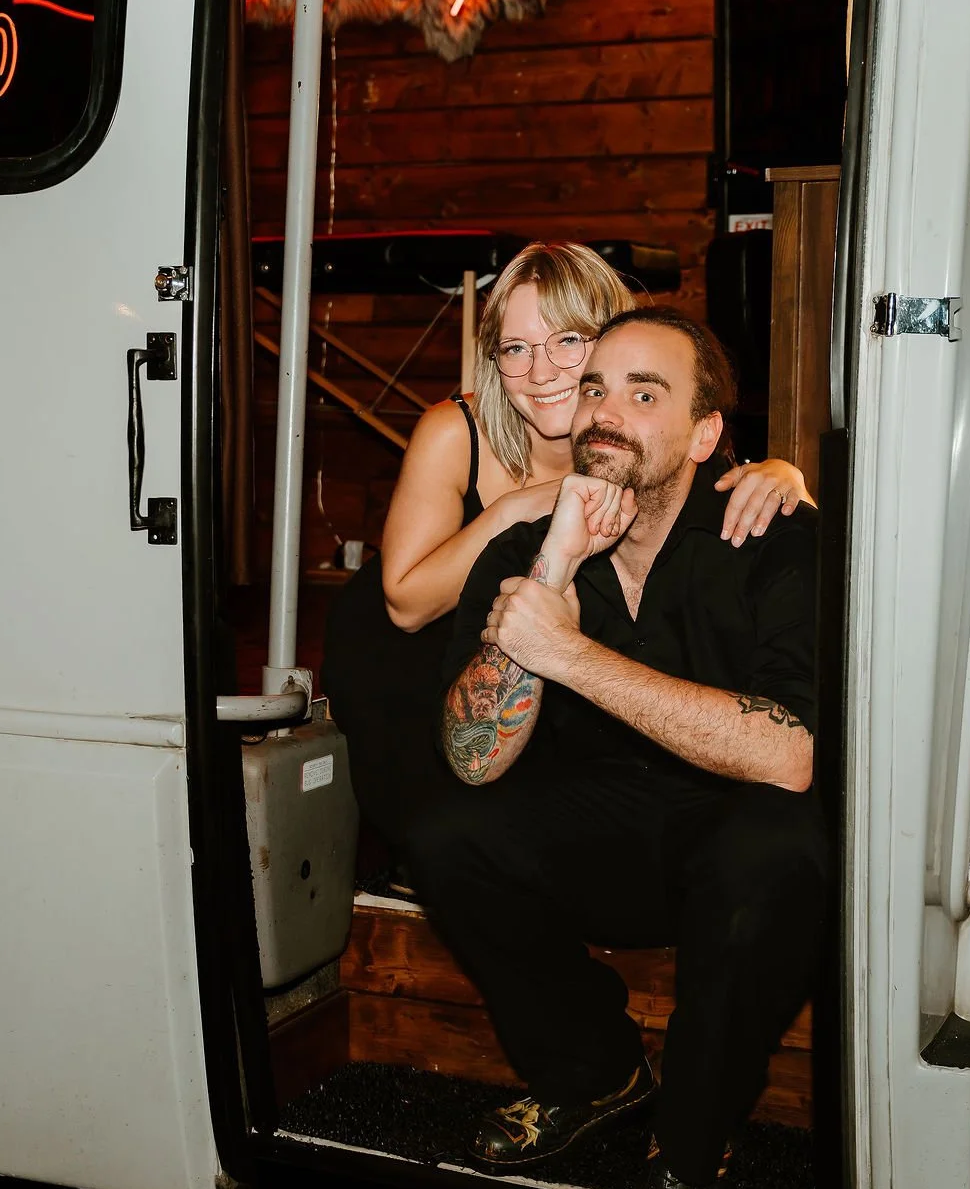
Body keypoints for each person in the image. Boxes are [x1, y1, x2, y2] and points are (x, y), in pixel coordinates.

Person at [406, 307, 827, 1189]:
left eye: (647, 394)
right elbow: (472, 756)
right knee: (443, 833)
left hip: (745, 827)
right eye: (596, 388)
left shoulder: (770, 530)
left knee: (769, 855)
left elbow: (789, 756)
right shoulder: (541, 541)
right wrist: (549, 569)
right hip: (619, 825)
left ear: (705, 433)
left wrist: (568, 656)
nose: (608, 411)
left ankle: (687, 1157)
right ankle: (592, 1072)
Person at [321, 244, 809, 889]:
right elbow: (406, 604)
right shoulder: (455, 431)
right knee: (443, 818)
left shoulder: (636, 427)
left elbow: (720, 482)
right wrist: (524, 508)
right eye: (515, 348)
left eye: (567, 341)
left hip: (538, 655)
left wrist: (785, 474)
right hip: (410, 655)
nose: (540, 370)